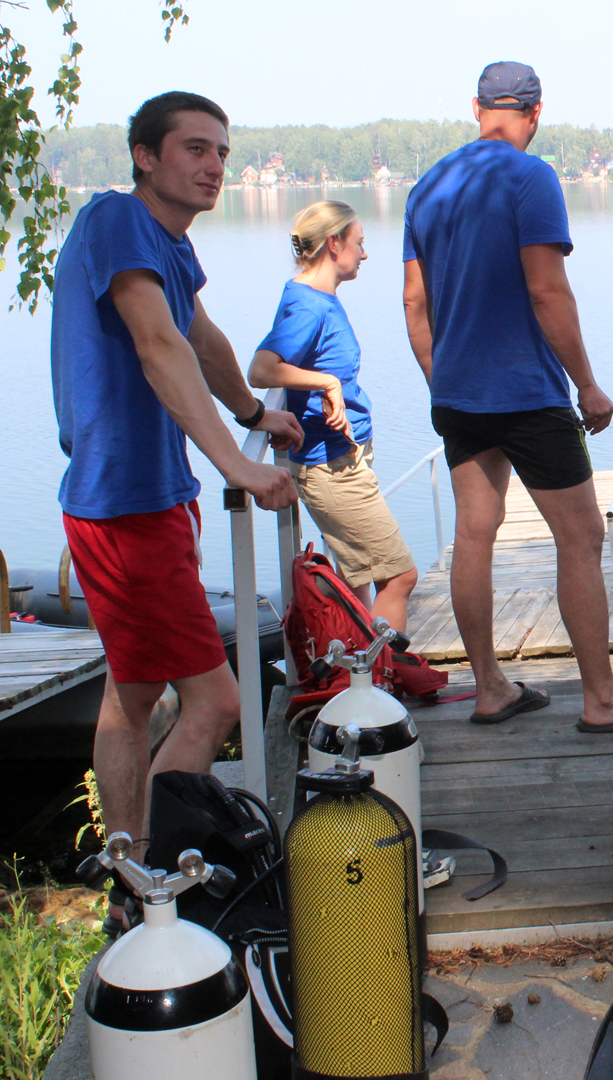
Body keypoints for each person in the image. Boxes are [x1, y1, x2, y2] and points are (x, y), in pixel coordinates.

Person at [51, 91, 303, 927]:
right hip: (126, 508)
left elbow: (202, 340)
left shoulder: (168, 247)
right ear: (145, 156)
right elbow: (157, 345)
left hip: (150, 498)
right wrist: (237, 462)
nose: (213, 166)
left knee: (131, 695)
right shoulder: (118, 224)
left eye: (222, 153)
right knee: (216, 704)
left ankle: (127, 871)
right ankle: (159, 888)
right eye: (195, 148)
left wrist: (251, 412)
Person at [402, 61, 613, 733]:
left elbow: (415, 303)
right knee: (580, 536)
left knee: (475, 532)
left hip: (459, 392)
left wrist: (443, 380)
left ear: (477, 108)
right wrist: (586, 381)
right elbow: (546, 289)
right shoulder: (531, 178)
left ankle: (491, 689)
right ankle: (603, 699)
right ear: (535, 113)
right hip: (526, 391)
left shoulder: (428, 187)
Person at [248, 201, 417, 631]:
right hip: (333, 469)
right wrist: (327, 383)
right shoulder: (309, 306)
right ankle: (381, 684)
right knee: (398, 576)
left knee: (356, 582)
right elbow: (262, 369)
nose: (364, 253)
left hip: (344, 459)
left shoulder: (314, 296)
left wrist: (324, 382)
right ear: (333, 243)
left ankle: (358, 676)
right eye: (359, 243)